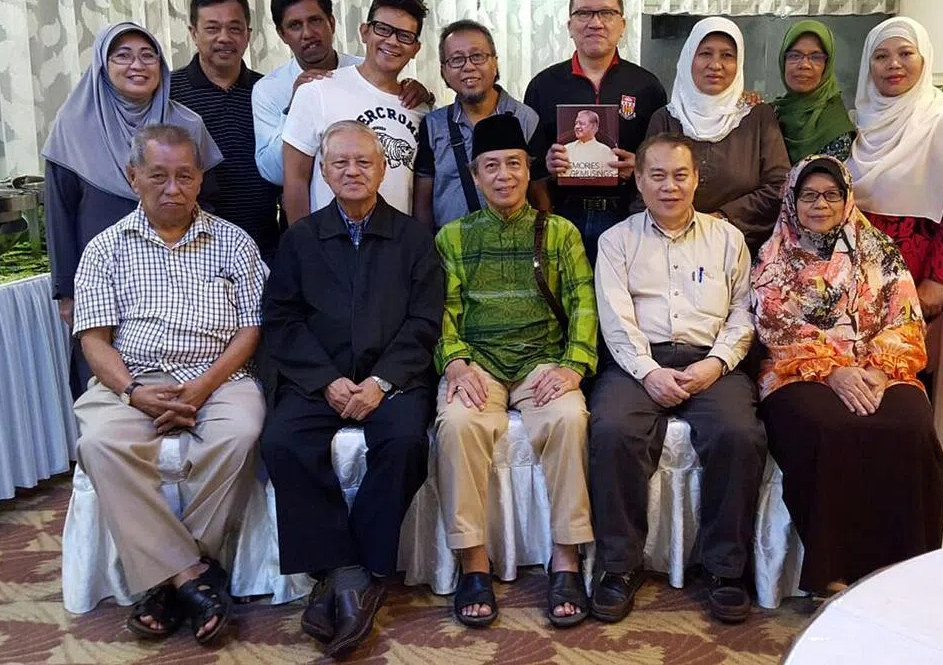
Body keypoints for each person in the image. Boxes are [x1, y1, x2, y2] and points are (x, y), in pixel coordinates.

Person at [70, 124, 266, 647]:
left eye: (185, 176)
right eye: (158, 176)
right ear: (133, 177)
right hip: (132, 379)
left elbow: (251, 329)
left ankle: (164, 582)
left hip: (219, 376)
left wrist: (203, 386)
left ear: (200, 179)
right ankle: (192, 578)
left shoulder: (234, 242)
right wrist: (133, 391)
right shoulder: (105, 248)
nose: (173, 188)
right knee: (100, 443)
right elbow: (94, 340)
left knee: (241, 434)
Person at [260, 120, 443, 658]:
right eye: (339, 162)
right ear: (323, 170)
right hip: (319, 381)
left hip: (392, 380)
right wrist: (327, 381)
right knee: (282, 442)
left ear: (383, 170)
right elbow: (282, 320)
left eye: (364, 162)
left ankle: (344, 573)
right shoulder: (300, 238)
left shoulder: (413, 238)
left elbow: (424, 321)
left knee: (405, 443)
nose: (352, 171)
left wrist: (381, 382)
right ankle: (351, 573)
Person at [588, 133, 766, 625]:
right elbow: (615, 319)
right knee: (612, 430)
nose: (670, 186)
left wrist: (717, 363)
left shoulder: (727, 238)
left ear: (696, 180)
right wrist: (648, 372)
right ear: (639, 180)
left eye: (680, 175)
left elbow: (743, 312)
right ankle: (619, 567)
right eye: (658, 176)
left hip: (711, 360)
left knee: (739, 434)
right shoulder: (616, 240)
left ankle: (725, 569)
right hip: (637, 360)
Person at [751, 155, 943, 597]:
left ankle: (906, 566)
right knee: (830, 427)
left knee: (910, 424)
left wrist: (878, 369)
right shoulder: (773, 257)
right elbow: (775, 326)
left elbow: (905, 317)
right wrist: (834, 370)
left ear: (846, 200)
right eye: (808, 195)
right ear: (792, 201)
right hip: (798, 371)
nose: (820, 204)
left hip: (882, 366)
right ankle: (832, 571)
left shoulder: (879, 251)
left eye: (831, 195)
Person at [433, 113, 597, 629]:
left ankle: (566, 558)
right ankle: (473, 565)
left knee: (569, 419)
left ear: (528, 170)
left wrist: (574, 365)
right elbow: (443, 312)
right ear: (475, 176)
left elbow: (583, 302)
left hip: (542, 362)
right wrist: (455, 362)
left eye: (513, 164)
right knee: (458, 425)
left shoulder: (560, 232)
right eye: (491, 167)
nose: (503, 176)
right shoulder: (452, 237)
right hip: (478, 364)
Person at [43, 21, 222, 398]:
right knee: (105, 379)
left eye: (147, 56)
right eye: (122, 56)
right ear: (102, 65)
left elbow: (209, 201)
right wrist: (67, 291)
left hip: (184, 272)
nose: (137, 65)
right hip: (103, 277)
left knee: (188, 371)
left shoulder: (187, 125)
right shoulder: (72, 126)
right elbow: (59, 213)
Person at [847, 16, 943, 328]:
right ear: (868, 66)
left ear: (924, 59)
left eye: (906, 53)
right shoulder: (856, 124)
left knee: (904, 354)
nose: (893, 64)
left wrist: (938, 279)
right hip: (856, 274)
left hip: (917, 274)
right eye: (881, 56)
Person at [524, 0, 668, 261]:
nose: (595, 22)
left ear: (622, 25)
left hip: (629, 216)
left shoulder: (647, 86)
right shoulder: (543, 85)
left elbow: (662, 157)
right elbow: (529, 164)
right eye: (584, 13)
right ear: (569, 25)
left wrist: (639, 166)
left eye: (606, 13)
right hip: (562, 216)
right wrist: (547, 166)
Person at [252, 0, 431, 188]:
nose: (308, 33)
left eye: (315, 21)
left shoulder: (368, 69)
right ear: (282, 34)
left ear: (332, 23)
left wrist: (422, 95)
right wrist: (294, 107)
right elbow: (274, 174)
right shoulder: (269, 89)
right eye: (295, 25)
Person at [644, 17, 790, 255]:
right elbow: (646, 185)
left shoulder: (757, 117)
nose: (715, 64)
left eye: (727, 55)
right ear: (689, 58)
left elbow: (779, 185)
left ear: (739, 62)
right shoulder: (666, 119)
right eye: (705, 54)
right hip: (671, 247)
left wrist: (721, 219)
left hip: (743, 248)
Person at [170, 0, 281, 262]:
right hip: (192, 249)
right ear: (193, 33)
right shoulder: (168, 93)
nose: (224, 38)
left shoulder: (268, 92)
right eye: (212, 28)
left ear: (248, 34)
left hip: (264, 248)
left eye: (234, 28)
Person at [412, 19, 549, 231]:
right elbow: (423, 203)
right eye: (456, 59)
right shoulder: (433, 125)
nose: (468, 67)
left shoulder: (526, 119)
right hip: (449, 248)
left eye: (477, 56)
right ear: (444, 71)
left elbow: (540, 196)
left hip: (515, 246)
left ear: (495, 63)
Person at [773, 20, 856, 164]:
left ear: (827, 65)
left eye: (815, 57)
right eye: (795, 55)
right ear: (783, 60)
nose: (804, 65)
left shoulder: (835, 126)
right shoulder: (773, 113)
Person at [562, 109, 616, 177]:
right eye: (576, 123)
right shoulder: (565, 149)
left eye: (581, 123)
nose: (577, 127)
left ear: (594, 127)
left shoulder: (606, 151)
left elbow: (611, 177)